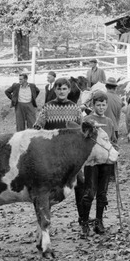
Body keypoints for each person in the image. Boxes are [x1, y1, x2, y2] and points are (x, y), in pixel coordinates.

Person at [33, 78, 84, 234]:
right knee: (45, 190)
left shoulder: (75, 109)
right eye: (59, 88)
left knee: (81, 183)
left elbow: (82, 131)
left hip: (71, 156)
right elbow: (37, 127)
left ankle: (84, 220)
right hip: (51, 156)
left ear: (69, 90)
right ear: (54, 90)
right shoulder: (48, 108)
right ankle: (43, 226)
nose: (61, 91)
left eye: (64, 89)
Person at [79, 93, 117, 238]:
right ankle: (84, 223)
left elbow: (113, 140)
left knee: (102, 193)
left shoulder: (109, 121)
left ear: (106, 105)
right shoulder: (88, 120)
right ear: (93, 105)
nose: (101, 108)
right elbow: (82, 140)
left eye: (103, 105)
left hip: (106, 162)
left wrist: (116, 150)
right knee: (89, 192)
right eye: (98, 105)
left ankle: (99, 222)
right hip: (92, 162)